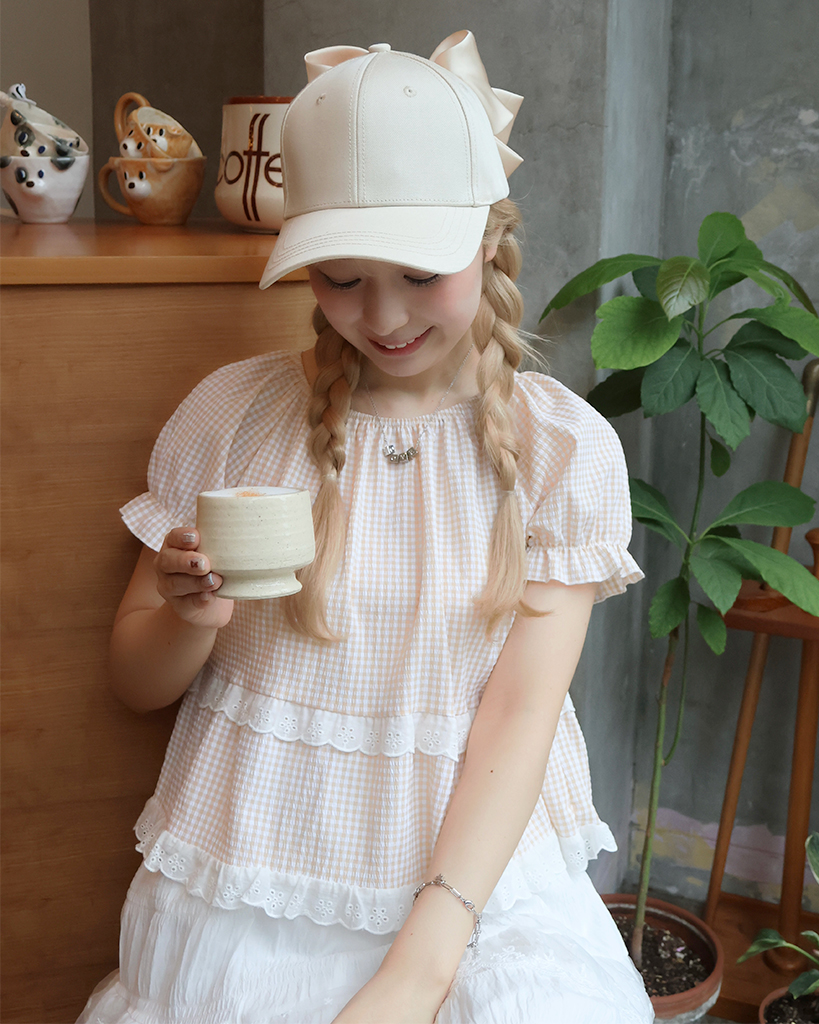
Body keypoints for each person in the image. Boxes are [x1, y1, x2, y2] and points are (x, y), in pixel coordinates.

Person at [78, 30, 654, 1024]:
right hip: (256, 881)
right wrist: (188, 615)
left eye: (419, 274)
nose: (381, 317)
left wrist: (416, 975)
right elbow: (135, 681)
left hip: (474, 889)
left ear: (488, 240)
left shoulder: (563, 452)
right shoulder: (232, 416)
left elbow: (520, 718)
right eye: (340, 278)